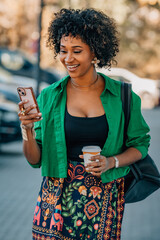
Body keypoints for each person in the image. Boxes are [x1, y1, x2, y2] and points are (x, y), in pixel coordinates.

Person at [18, 8, 150, 240]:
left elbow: (140, 145)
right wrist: (27, 130)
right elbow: (35, 160)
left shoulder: (124, 96)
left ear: (95, 53)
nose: (68, 59)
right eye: (63, 51)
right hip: (55, 197)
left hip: (105, 197)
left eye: (77, 51)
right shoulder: (49, 96)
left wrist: (112, 161)